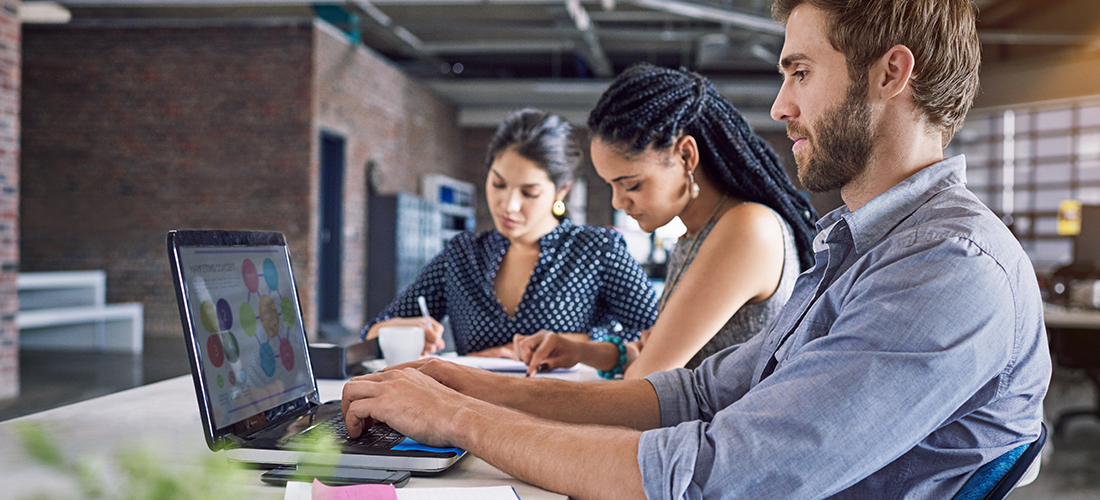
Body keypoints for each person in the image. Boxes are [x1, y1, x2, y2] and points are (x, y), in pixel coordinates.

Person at [343, 0, 1052, 498]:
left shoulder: (948, 269)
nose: (780, 105)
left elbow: (717, 478)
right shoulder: (862, 249)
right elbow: (697, 393)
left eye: (799, 71)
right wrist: (464, 384)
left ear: (891, 74)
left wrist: (455, 418)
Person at [513, 63, 818, 379]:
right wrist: (580, 351)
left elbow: (644, 384)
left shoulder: (747, 228)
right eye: (611, 186)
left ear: (686, 156)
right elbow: (653, 355)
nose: (618, 201)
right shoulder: (695, 235)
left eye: (631, 184)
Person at [361, 108, 658, 359]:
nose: (508, 205)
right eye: (499, 185)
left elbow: (655, 338)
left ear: (561, 190)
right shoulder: (462, 256)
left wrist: (575, 346)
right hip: (471, 416)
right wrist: (408, 333)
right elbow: (373, 332)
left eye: (529, 192)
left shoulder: (595, 250)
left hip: (564, 417)